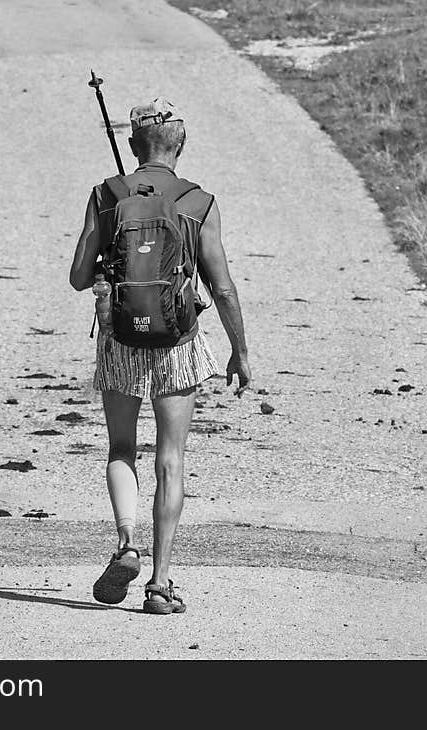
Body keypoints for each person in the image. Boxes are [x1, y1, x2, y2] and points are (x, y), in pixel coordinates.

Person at [70, 97, 251, 614]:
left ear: (132, 145)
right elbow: (223, 288)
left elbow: (79, 277)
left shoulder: (106, 195)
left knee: (121, 448)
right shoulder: (200, 202)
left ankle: (126, 541)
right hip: (178, 339)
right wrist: (239, 351)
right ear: (182, 145)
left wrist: (107, 261)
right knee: (170, 461)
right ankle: (160, 583)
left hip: (120, 337)